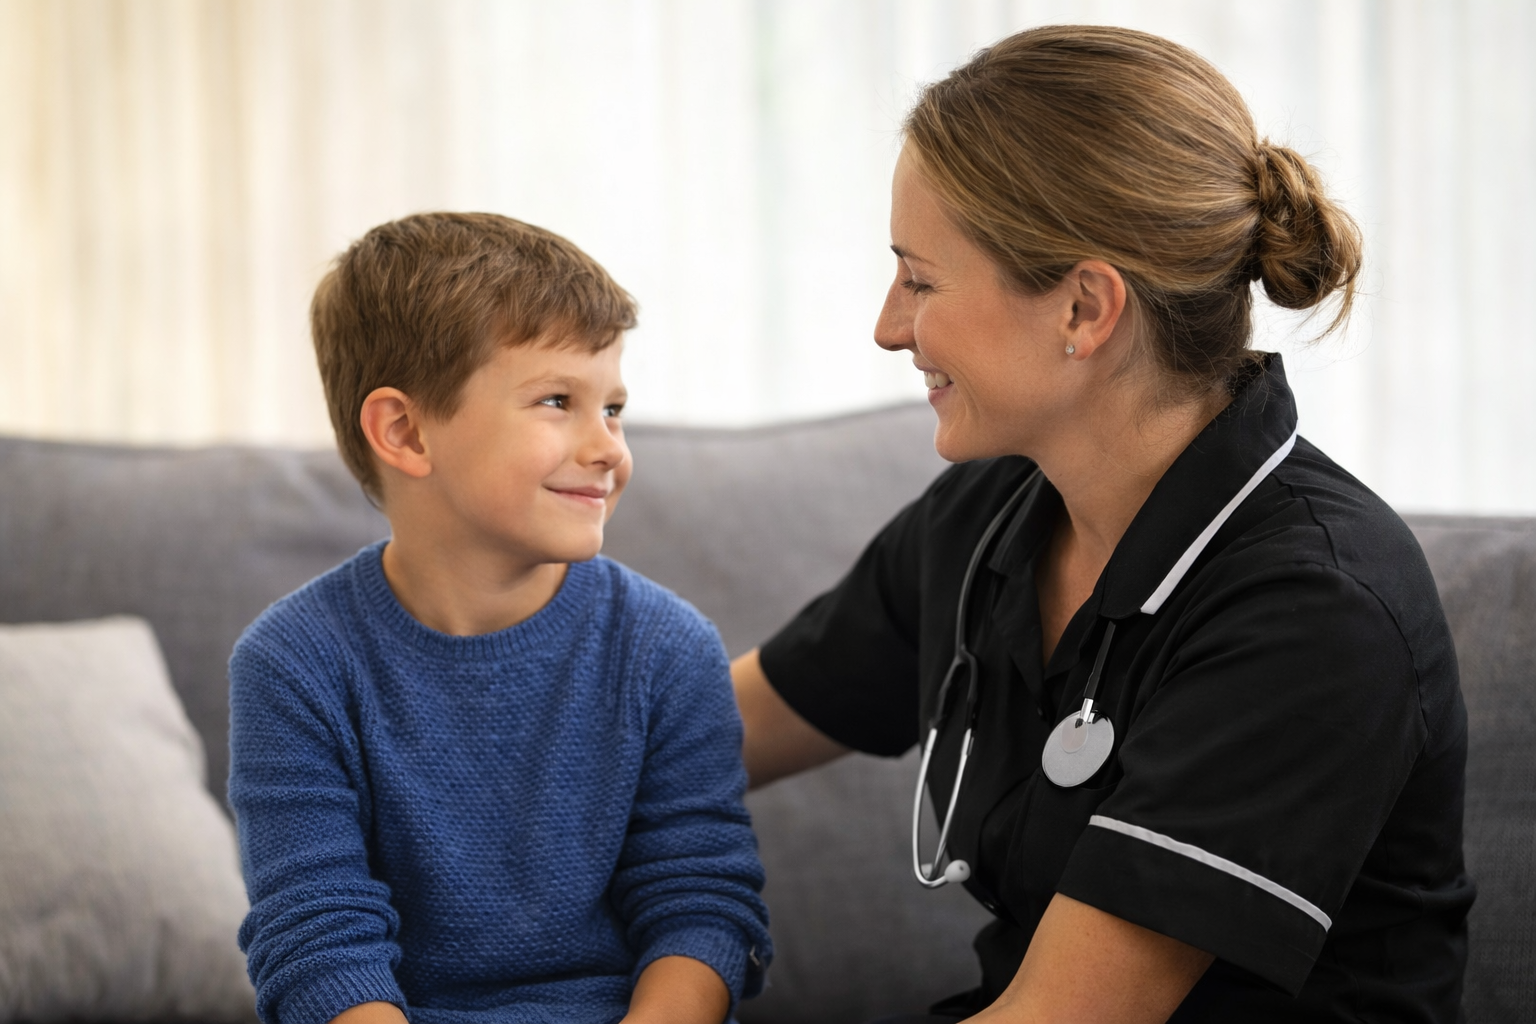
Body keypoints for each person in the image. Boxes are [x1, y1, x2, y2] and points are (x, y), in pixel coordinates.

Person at [732, 25, 1472, 1024]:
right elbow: (708, 733)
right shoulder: (993, 518)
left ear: (1083, 308)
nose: (889, 325)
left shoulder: (1314, 608)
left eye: (920, 278)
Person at [228, 212, 770, 1024]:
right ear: (405, 432)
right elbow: (316, 941)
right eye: (558, 401)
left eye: (613, 408)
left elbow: (701, 904)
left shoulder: (668, 648)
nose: (609, 448)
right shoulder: (292, 663)